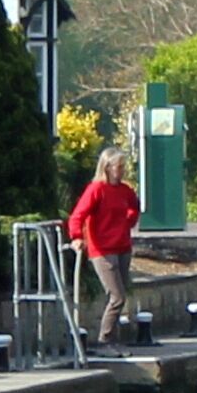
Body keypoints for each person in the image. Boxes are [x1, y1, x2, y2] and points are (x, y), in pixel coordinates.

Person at [65, 146, 141, 352]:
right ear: (107, 167)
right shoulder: (96, 189)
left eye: (123, 166)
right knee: (118, 296)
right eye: (119, 166)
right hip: (102, 249)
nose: (122, 170)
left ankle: (113, 341)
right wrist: (77, 237)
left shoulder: (125, 190)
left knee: (118, 295)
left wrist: (128, 221)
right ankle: (105, 340)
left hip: (122, 246)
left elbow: (134, 206)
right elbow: (77, 216)